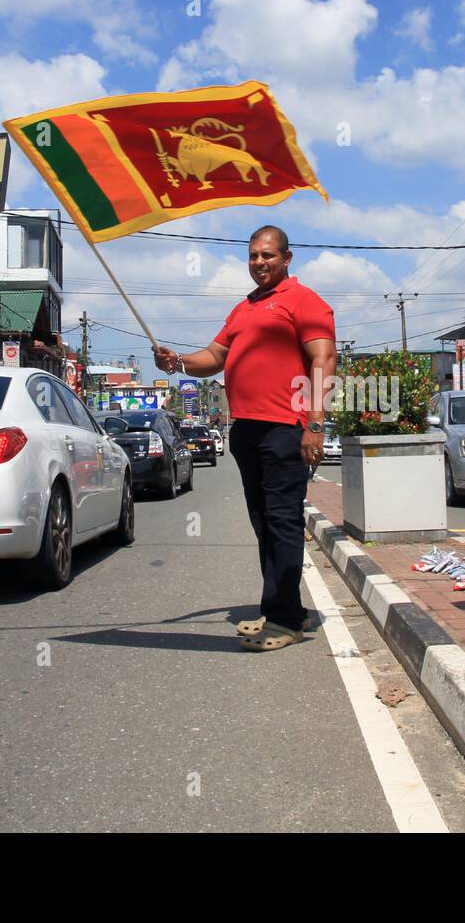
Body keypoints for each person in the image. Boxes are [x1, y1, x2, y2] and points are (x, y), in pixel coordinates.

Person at [153, 225, 337, 653]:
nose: (259, 263)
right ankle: (283, 607)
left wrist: (315, 422)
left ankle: (286, 620)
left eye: (268, 256)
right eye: (253, 256)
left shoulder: (304, 301)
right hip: (247, 430)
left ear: (287, 259)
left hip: (285, 428)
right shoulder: (243, 309)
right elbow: (214, 358)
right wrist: (177, 361)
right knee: (264, 523)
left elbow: (324, 358)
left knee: (283, 522)